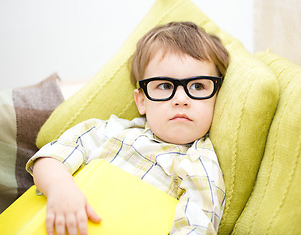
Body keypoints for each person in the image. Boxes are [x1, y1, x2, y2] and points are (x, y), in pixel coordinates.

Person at [26, 21, 229, 235]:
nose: (181, 99)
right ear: (141, 100)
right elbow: (50, 157)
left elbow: (196, 228)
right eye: (165, 86)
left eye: (198, 86)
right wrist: (60, 188)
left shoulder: (200, 165)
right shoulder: (109, 130)